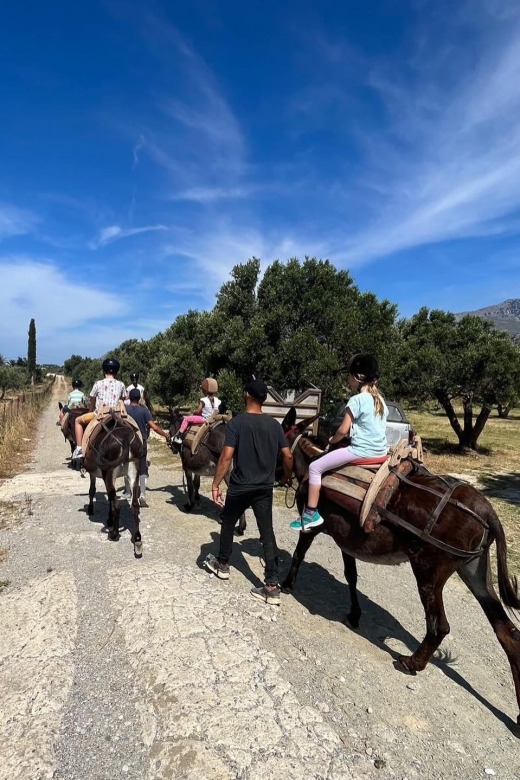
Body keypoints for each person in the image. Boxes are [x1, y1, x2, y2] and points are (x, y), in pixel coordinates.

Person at [204, 379, 293, 605]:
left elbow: (226, 457)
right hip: (264, 488)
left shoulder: (236, 424)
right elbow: (288, 455)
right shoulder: (274, 425)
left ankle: (222, 565)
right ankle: (272, 585)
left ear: (246, 395)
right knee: (267, 532)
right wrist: (285, 477)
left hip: (241, 486)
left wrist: (215, 485)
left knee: (227, 521)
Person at [289, 353, 388, 532]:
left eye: (349, 376)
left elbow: (343, 430)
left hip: (361, 451)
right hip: (381, 452)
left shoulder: (356, 400)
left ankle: (311, 513)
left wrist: (331, 440)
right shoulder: (380, 400)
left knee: (315, 468)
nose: (348, 380)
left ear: (358, 377)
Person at [122, 388, 170, 507]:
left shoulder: (124, 410)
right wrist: (165, 435)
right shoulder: (144, 411)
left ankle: (129, 492)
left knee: (126, 466)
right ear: (139, 398)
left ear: (129, 397)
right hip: (140, 443)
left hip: (126, 443)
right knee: (142, 467)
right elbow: (154, 427)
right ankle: (142, 494)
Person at [72, 358, 127, 459]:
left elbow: (92, 400)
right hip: (117, 415)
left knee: (77, 421)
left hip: (100, 415)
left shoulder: (98, 384)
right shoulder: (121, 384)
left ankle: (79, 448)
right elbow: (123, 398)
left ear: (104, 370)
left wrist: (90, 411)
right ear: (116, 371)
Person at [172, 378, 221, 445]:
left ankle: (179, 437)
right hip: (213, 419)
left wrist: (194, 412)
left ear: (204, 390)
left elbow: (198, 411)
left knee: (186, 419)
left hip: (204, 419)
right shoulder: (217, 400)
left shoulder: (204, 400)